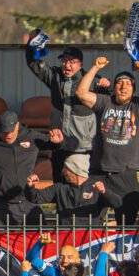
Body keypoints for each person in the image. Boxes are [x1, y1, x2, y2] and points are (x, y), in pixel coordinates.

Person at [76, 58, 139, 225]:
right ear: (114, 87)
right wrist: (95, 67)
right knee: (88, 220)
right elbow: (81, 94)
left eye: (128, 84)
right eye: (119, 83)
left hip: (127, 173)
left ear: (134, 89)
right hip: (100, 171)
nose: (123, 87)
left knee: (126, 221)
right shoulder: (104, 102)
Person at [24, 36, 110, 182]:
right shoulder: (55, 77)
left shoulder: (92, 80)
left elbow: (110, 100)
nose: (67, 65)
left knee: (82, 189)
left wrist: (106, 86)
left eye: (72, 62)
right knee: (59, 187)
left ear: (80, 64)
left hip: (82, 148)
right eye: (64, 61)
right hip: (59, 144)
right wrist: (31, 46)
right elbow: (33, 63)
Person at [25, 154, 122, 226]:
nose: (62, 171)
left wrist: (104, 192)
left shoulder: (97, 187)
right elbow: (35, 198)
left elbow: (117, 203)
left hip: (90, 239)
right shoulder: (59, 188)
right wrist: (30, 187)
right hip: (65, 238)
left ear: (75, 170)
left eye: (66, 168)